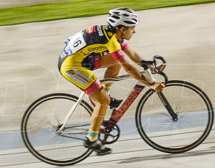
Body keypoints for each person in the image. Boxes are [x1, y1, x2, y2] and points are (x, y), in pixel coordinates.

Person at [59, 8, 163, 155]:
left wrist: (145, 63)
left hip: (81, 58)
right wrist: (150, 85)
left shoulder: (112, 33)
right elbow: (128, 68)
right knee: (104, 101)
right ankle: (91, 140)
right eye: (132, 28)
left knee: (113, 64)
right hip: (71, 67)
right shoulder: (111, 41)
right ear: (122, 28)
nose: (134, 31)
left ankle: (102, 96)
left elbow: (130, 53)